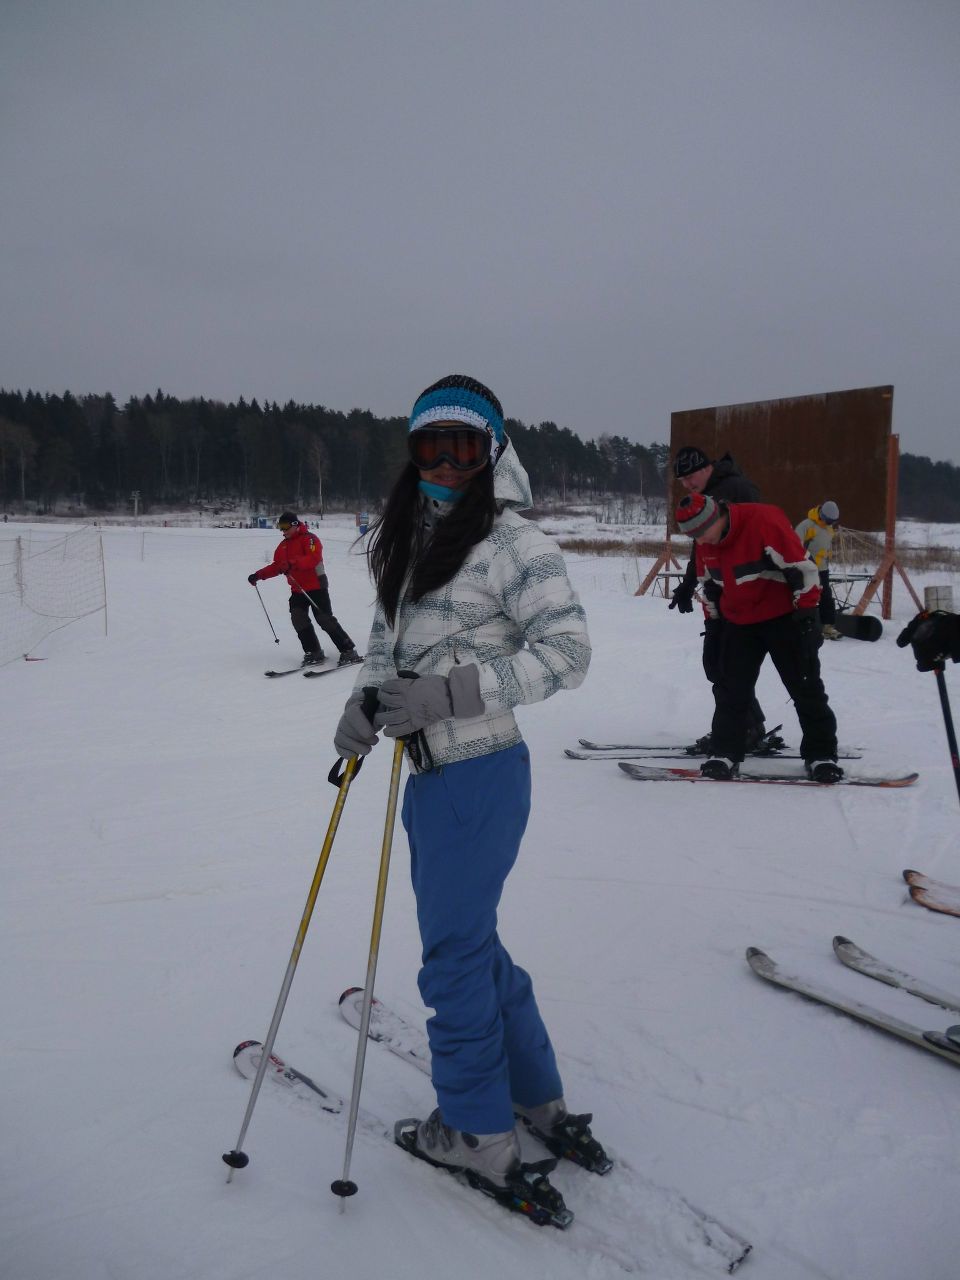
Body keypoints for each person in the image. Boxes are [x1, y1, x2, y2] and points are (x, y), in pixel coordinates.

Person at [333, 374, 605, 1211]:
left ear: (493, 453)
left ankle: (477, 1133)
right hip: (433, 776)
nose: (447, 461)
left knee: (452, 960)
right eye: (430, 445)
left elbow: (568, 654)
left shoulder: (516, 544)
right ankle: (536, 1096)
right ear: (411, 453)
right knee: (474, 944)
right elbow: (389, 638)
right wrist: (366, 702)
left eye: (465, 445)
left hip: (479, 775)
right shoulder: (408, 535)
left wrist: (446, 695)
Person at [675, 491, 843, 783]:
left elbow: (804, 571)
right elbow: (711, 587)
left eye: (702, 533)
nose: (700, 541)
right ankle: (725, 752)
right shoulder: (705, 543)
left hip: (783, 617)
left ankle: (821, 754)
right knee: (731, 689)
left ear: (717, 517)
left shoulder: (763, 521)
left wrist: (807, 617)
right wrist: (713, 628)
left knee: (805, 686)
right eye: (693, 537)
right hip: (739, 620)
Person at [668, 445, 773, 752]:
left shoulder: (737, 489)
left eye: (690, 476)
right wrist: (688, 584)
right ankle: (744, 725)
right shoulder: (705, 496)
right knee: (716, 663)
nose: (687, 484)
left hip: (743, 594)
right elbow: (701, 545)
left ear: (705, 467)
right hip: (718, 591)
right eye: (682, 481)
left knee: (728, 665)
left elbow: (759, 535)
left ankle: (742, 730)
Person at [247, 512, 361, 666]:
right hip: (297, 589)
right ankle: (313, 652)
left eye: (286, 527)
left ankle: (348, 651)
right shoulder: (283, 546)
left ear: (295, 525)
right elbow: (277, 566)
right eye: (280, 527)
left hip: (316, 586)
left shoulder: (310, 539)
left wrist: (292, 563)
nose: (283, 531)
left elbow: (312, 559)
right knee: (298, 618)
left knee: (324, 619)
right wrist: (258, 575)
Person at [795, 501, 841, 640]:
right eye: (828, 520)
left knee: (826, 597)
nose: (829, 523)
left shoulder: (829, 528)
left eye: (832, 521)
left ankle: (828, 627)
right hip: (807, 569)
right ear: (822, 515)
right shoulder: (807, 525)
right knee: (804, 596)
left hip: (822, 569)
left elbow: (824, 546)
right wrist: (805, 561)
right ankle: (799, 624)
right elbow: (795, 544)